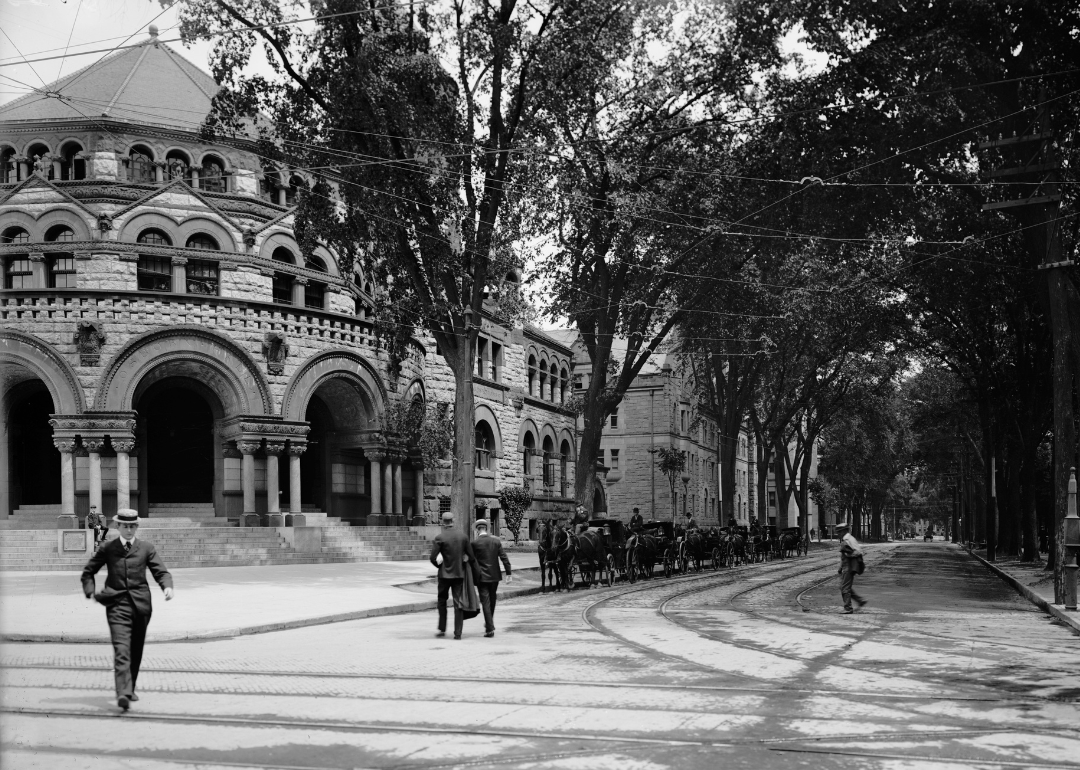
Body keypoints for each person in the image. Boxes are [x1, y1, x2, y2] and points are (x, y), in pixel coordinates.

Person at [81, 509, 173, 711]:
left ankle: (129, 688)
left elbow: (161, 571)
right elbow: (89, 572)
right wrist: (90, 591)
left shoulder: (146, 548)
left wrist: (167, 587)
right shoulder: (108, 548)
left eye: (133, 526)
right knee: (122, 649)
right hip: (116, 605)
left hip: (141, 606)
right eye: (125, 526)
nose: (129, 530)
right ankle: (123, 692)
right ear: (117, 527)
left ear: (137, 527)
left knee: (136, 648)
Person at [429, 510, 476, 640]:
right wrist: (464, 562)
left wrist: (440, 566)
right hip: (459, 574)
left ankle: (442, 629)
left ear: (443, 522)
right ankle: (458, 633)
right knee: (458, 603)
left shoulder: (440, 538)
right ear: (453, 521)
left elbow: (432, 558)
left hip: (444, 575)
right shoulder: (463, 536)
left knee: (442, 601)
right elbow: (471, 556)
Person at [471, 518, 512, 638]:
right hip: (495, 576)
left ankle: (489, 628)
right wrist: (508, 573)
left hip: (482, 577)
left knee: (485, 602)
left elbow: (471, 560)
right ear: (486, 529)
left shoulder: (474, 543)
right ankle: (490, 622)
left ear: (478, 530)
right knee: (492, 600)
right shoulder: (496, 542)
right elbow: (504, 557)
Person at [836, 523, 866, 614]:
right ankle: (859, 600)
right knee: (843, 586)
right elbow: (843, 555)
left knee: (845, 588)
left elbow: (859, 552)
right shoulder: (846, 539)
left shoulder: (849, 539)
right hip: (846, 566)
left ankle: (848, 608)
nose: (838, 534)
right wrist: (840, 567)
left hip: (849, 567)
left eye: (839, 532)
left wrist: (849, 554)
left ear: (844, 531)